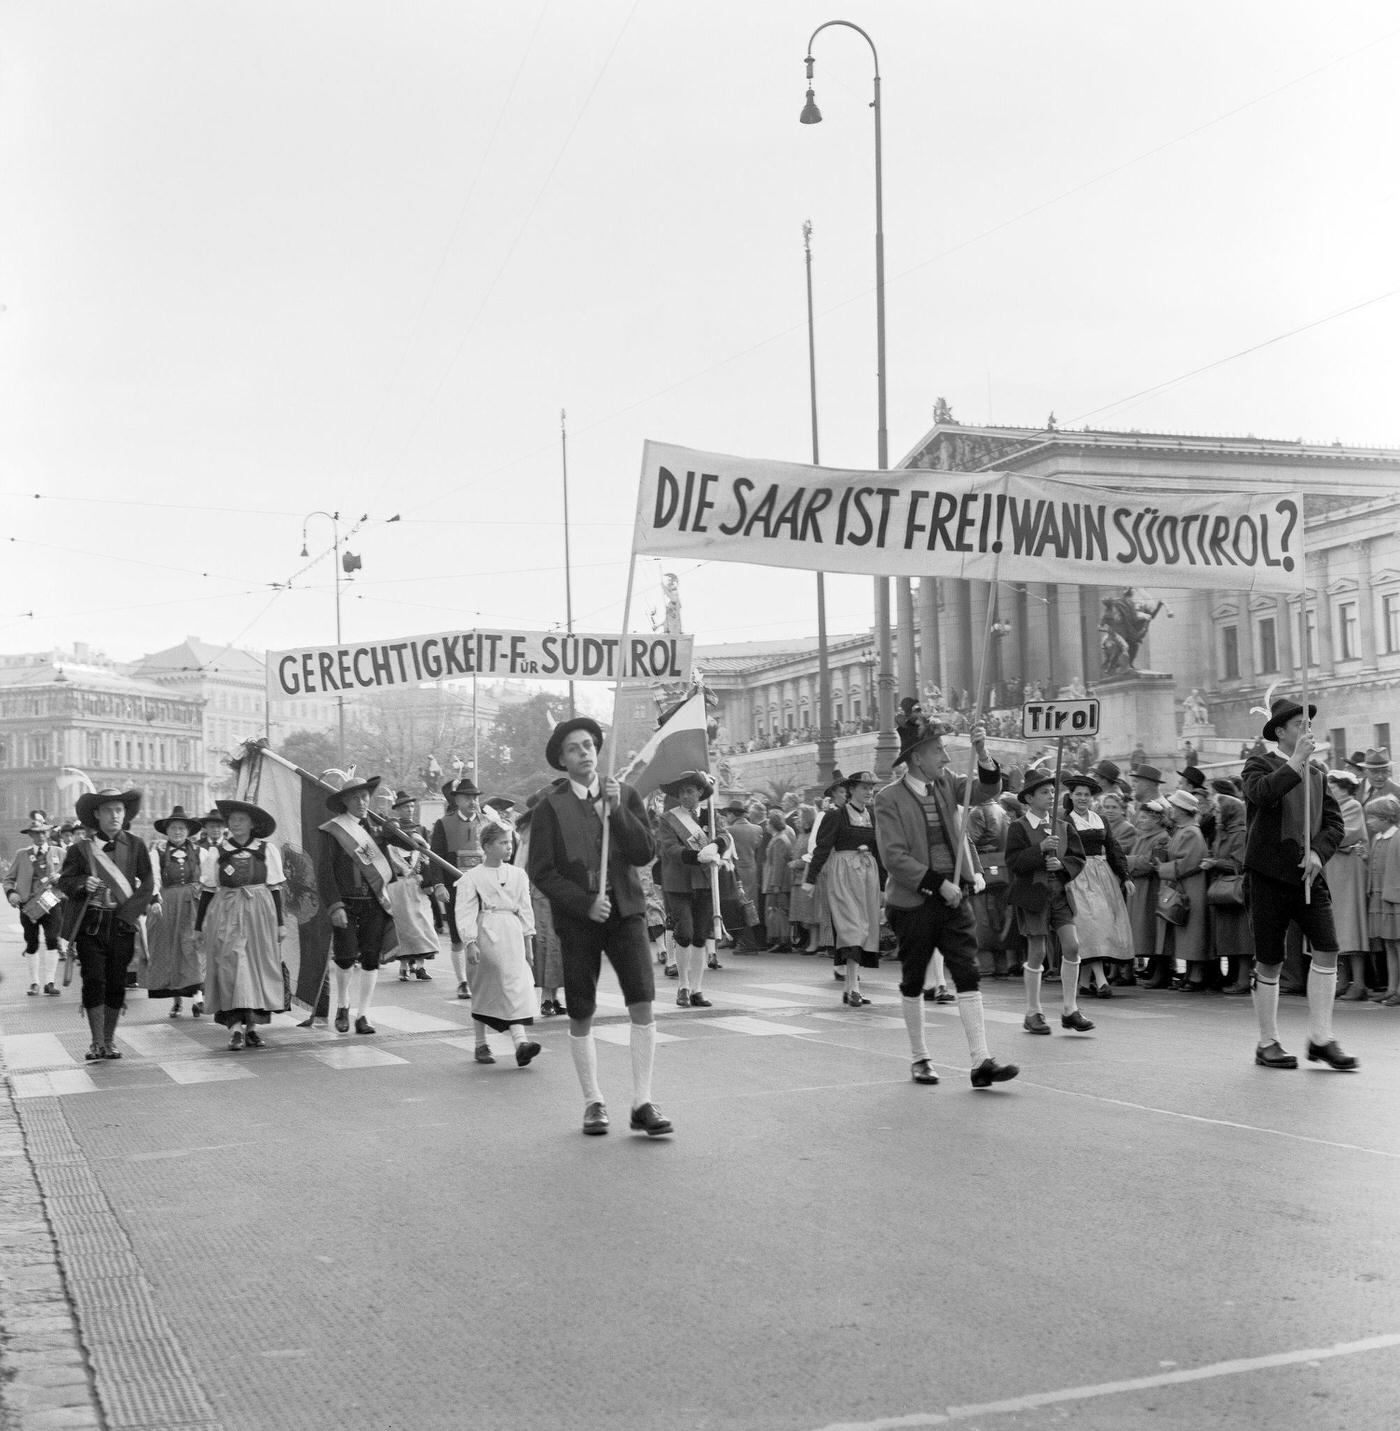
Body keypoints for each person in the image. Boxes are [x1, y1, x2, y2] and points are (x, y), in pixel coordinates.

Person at [526, 716, 670, 1137]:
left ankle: (642, 1101)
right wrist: (584, 904)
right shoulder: (549, 807)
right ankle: (593, 1101)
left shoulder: (622, 793)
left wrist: (618, 812)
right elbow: (543, 871)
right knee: (582, 1008)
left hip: (626, 913)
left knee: (641, 1000)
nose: (584, 752)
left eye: (588, 744)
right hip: (579, 920)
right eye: (574, 747)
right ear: (562, 759)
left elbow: (644, 853)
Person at [871, 718, 1017, 1088]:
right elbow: (893, 856)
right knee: (914, 978)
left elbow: (986, 791)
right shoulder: (888, 798)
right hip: (912, 903)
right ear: (917, 757)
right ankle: (920, 1057)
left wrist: (983, 753)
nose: (945, 755)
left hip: (954, 899)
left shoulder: (947, 784)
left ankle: (981, 1060)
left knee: (966, 971)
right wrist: (938, 885)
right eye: (938, 749)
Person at [1242, 696, 1355, 1071]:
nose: (1308, 730)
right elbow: (1262, 794)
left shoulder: (1320, 772)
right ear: (1280, 732)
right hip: (1268, 875)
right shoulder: (1258, 764)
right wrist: (1295, 763)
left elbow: (1335, 825)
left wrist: (1319, 854)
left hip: (1309, 875)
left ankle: (1321, 1038)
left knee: (1327, 949)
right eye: (1299, 725)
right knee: (1271, 959)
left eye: (1310, 724)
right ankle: (1267, 1041)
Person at [55, 788, 155, 1060]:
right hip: (91, 926)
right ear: (96, 815)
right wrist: (80, 883)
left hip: (121, 925)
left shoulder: (136, 845)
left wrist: (128, 915)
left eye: (119, 810)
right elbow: (64, 881)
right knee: (94, 980)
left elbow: (147, 884)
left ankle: (110, 1041)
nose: (115, 815)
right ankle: (96, 1042)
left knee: (116, 982)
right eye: (109, 810)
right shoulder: (79, 850)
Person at [1006, 771, 1094, 1035]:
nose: (1050, 796)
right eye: (1044, 792)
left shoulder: (1063, 826)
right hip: (1033, 895)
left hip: (1059, 894)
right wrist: (1040, 850)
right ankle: (1033, 1012)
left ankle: (1070, 1009)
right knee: (1037, 951)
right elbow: (1014, 863)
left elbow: (1078, 858)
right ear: (1029, 798)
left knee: (1072, 945)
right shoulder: (1018, 827)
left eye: (1051, 792)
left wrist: (1063, 865)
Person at [195, 799, 286, 1050]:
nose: (235, 824)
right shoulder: (218, 852)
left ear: (252, 824)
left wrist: (280, 924)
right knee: (231, 965)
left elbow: (276, 888)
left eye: (241, 819)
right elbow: (208, 890)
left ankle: (252, 1028)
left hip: (260, 912)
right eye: (232, 820)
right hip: (226, 912)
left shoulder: (267, 850)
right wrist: (198, 926)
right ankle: (235, 1027)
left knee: (258, 967)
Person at [318, 774, 401, 1036]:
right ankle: (343, 1005)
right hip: (346, 903)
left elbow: (399, 848)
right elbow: (325, 872)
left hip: (373, 902)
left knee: (370, 958)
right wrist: (335, 906)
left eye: (365, 797)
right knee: (344, 957)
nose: (361, 802)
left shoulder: (378, 829)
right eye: (355, 798)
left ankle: (363, 1014)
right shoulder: (333, 831)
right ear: (344, 801)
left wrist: (400, 833)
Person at [456, 821, 541, 1066]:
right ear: (487, 846)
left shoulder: (517, 875)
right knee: (488, 986)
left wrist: (528, 940)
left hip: (512, 933)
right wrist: (470, 941)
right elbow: (465, 911)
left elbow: (525, 908)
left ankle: (521, 1043)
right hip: (487, 932)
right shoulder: (472, 878)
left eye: (509, 842)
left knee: (515, 985)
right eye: (502, 843)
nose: (508, 847)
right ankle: (481, 1043)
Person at [806, 771, 884, 1008]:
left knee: (865, 928)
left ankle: (851, 987)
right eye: (864, 788)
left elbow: (879, 850)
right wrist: (810, 878)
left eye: (871, 788)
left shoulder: (872, 816)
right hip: (843, 873)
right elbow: (822, 847)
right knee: (852, 928)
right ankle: (853, 988)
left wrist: (885, 881)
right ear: (851, 790)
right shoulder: (836, 816)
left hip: (867, 874)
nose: (869, 792)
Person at [656, 771, 729, 1009]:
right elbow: (668, 849)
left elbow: (725, 836)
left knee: (700, 936)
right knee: (684, 933)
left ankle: (698, 989)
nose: (685, 796)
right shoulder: (668, 819)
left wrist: (716, 845)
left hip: (705, 882)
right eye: (681, 792)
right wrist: (696, 855)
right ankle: (683, 986)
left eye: (690, 791)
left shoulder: (710, 815)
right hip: (678, 883)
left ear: (700, 792)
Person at [428, 777, 505, 997]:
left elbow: (499, 852)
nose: (472, 802)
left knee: (486, 932)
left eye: (475, 797)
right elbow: (435, 857)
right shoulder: (444, 823)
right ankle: (462, 981)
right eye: (467, 798)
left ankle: (484, 977)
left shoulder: (487, 823)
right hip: (456, 887)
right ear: (457, 800)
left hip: (484, 885)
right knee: (458, 935)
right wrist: (439, 884)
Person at [1061, 774, 1134, 999]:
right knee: (1089, 925)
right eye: (1078, 794)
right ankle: (1101, 981)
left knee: (1101, 923)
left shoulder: (1099, 819)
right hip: (1077, 875)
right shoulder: (1065, 821)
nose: (1083, 798)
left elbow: (1112, 848)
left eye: (1086, 795)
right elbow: (1062, 851)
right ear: (1071, 797)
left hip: (1102, 875)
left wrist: (1125, 876)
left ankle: (1084, 982)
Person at [145, 805, 204, 1017]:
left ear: (188, 831)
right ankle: (177, 1000)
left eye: (181, 828)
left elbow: (207, 877)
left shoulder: (199, 852)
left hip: (192, 903)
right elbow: (154, 877)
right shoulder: (158, 852)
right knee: (171, 949)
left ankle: (198, 996)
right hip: (168, 902)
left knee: (192, 945)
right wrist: (155, 899)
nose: (177, 832)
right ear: (167, 831)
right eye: (173, 828)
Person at [1155, 789, 1210, 990]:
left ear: (1182, 810)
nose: (1171, 810)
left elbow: (1189, 862)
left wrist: (1163, 868)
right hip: (1187, 886)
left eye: (1175, 807)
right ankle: (1190, 974)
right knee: (1187, 932)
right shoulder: (1185, 830)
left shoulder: (1190, 832)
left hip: (1191, 887)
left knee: (1192, 933)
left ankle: (1195, 976)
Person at [1323, 770, 1371, 1001]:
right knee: (1336, 927)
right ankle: (1343, 979)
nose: (1330, 789)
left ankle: (1358, 982)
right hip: (1334, 869)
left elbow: (1346, 834)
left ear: (1344, 787)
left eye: (1333, 785)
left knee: (1351, 925)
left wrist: (1323, 835)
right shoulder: (1330, 806)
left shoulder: (1351, 806)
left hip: (1348, 871)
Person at [384, 790, 439, 984]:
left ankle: (421, 965)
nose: (409, 809)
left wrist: (429, 882)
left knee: (422, 924)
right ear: (398, 809)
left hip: (417, 886)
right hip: (398, 888)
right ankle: (404, 966)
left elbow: (426, 860)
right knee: (403, 927)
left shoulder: (421, 834)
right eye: (406, 806)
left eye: (412, 806)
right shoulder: (391, 839)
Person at [5, 817, 65, 996]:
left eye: (44, 832)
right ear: (30, 835)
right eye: (37, 833)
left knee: (52, 939)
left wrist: (61, 878)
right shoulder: (21, 855)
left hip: (51, 902)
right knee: (31, 943)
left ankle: (50, 982)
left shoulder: (60, 852)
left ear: (48, 833)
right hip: (28, 905)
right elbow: (8, 879)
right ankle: (34, 983)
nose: (41, 836)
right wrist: (11, 893)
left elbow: (71, 874)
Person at [1204, 778, 1251, 996]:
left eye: (1218, 811)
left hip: (1236, 891)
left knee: (1241, 940)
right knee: (1231, 938)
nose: (1215, 815)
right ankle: (1234, 977)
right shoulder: (1225, 831)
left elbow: (1238, 864)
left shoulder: (1239, 833)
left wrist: (1214, 863)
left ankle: (1242, 979)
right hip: (1226, 892)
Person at [1126, 798, 1171, 986]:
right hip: (1141, 889)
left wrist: (1126, 861)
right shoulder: (1142, 836)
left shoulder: (1162, 838)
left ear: (1156, 819)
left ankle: (1161, 971)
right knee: (1145, 930)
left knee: (1154, 931)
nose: (1140, 820)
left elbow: (1151, 863)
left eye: (1145, 817)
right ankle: (1153, 968)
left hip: (1152, 890)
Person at [1365, 794, 1400, 1004]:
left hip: (1395, 898)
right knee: (1389, 944)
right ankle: (1391, 988)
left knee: (1398, 944)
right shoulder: (1377, 838)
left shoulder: (1397, 837)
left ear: (1385, 818)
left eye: (1372, 818)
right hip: (1381, 897)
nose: (1368, 821)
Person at [761, 811, 795, 950]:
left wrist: (775, 884)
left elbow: (778, 864)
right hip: (778, 881)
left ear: (773, 824)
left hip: (777, 882)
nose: (767, 826)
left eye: (768, 823)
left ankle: (781, 940)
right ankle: (781, 940)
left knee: (777, 911)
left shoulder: (779, 840)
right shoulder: (780, 838)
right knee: (778, 911)